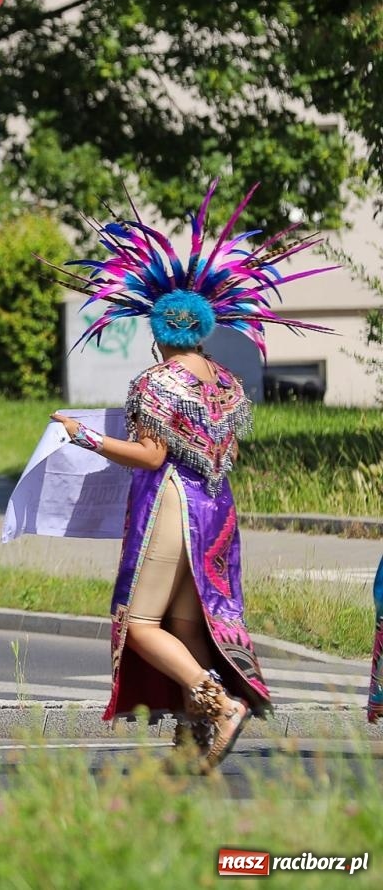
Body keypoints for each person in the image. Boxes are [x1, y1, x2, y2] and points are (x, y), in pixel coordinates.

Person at [46, 181, 334, 772]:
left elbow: (152, 457)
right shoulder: (227, 382)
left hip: (172, 501)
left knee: (141, 621)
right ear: (202, 328)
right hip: (217, 506)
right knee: (188, 618)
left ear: (157, 330)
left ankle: (217, 703)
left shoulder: (154, 382)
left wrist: (86, 437)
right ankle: (188, 739)